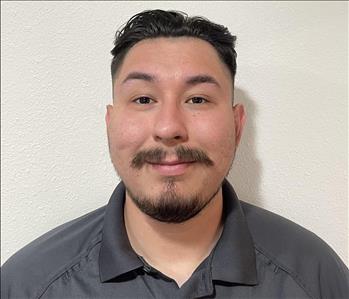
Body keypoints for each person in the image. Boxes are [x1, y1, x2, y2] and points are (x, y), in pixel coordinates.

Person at [1, 9, 348, 299]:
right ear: (110, 124)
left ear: (237, 124)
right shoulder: (29, 285)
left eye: (197, 99)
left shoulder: (315, 278)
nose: (168, 128)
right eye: (143, 99)